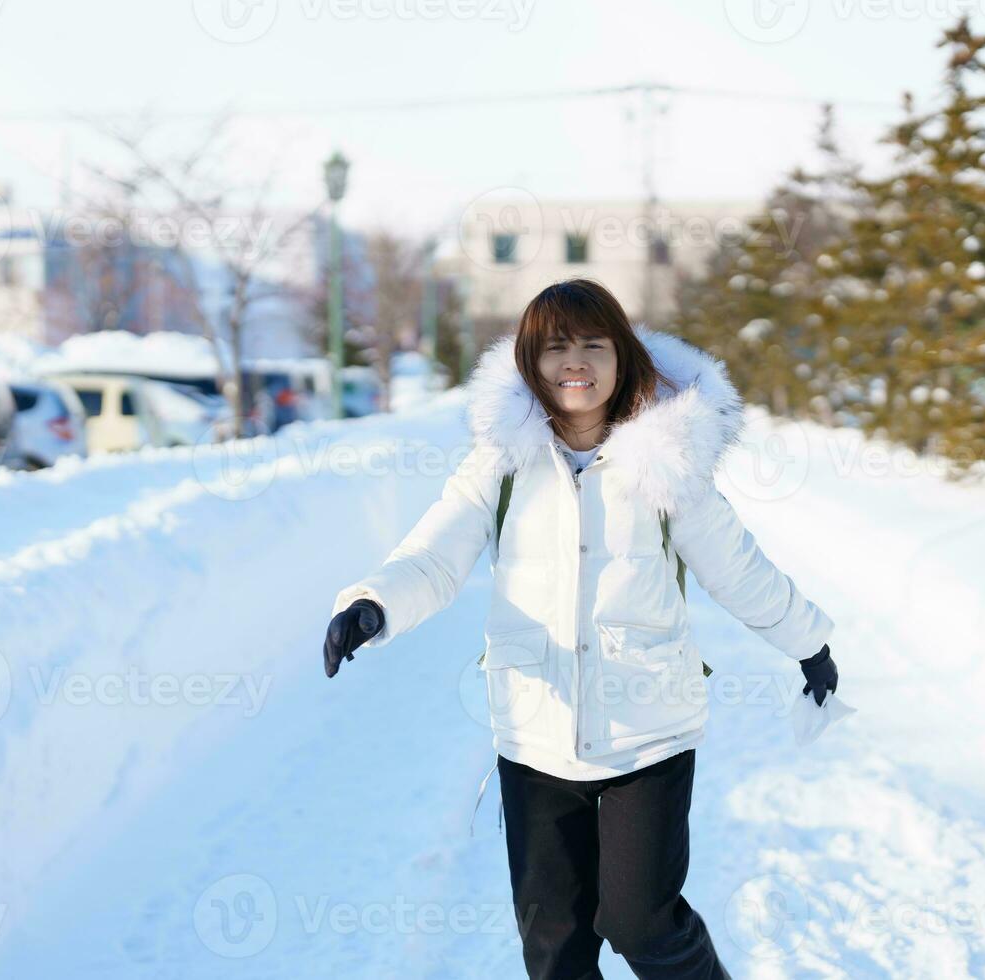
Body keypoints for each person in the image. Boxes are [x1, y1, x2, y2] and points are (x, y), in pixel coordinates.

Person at [322, 278, 838, 980]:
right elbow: (433, 554)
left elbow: (737, 568)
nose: (576, 362)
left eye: (594, 345)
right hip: (535, 737)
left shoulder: (666, 464)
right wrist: (373, 603)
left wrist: (808, 642)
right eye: (557, 347)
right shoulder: (502, 465)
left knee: (642, 923)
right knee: (554, 951)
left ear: (621, 357)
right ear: (531, 363)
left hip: (648, 738)